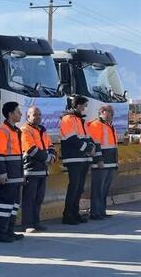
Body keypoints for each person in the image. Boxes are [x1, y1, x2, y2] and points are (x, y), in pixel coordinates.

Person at [60, 96, 96, 225]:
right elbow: (72, 139)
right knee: (74, 186)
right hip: (73, 158)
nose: (84, 108)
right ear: (75, 105)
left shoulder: (81, 120)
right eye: (83, 105)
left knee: (79, 188)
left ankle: (75, 213)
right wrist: (88, 149)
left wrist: (92, 148)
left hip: (83, 158)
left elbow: (88, 137)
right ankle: (68, 215)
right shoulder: (67, 119)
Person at [0, 101, 25, 242]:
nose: (21, 114)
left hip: (16, 175)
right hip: (8, 176)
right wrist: (2, 174)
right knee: (3, 205)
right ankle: (1, 233)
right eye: (18, 112)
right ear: (10, 114)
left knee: (13, 205)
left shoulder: (16, 131)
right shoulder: (2, 131)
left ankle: (9, 231)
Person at [21, 106, 56, 233]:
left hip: (42, 170)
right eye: (35, 114)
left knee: (38, 199)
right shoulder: (25, 130)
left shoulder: (42, 130)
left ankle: (36, 222)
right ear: (28, 116)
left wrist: (52, 156)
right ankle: (27, 224)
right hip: (31, 170)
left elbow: (50, 145)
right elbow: (31, 149)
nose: (38, 117)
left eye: (39, 114)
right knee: (29, 199)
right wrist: (47, 158)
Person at [88, 105, 118, 220]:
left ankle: (102, 211)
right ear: (102, 112)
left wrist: (115, 161)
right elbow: (96, 144)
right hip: (101, 163)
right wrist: (99, 160)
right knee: (98, 189)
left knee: (104, 189)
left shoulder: (110, 126)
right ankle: (95, 213)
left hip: (110, 162)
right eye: (110, 112)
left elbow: (114, 145)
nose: (112, 114)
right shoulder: (96, 125)